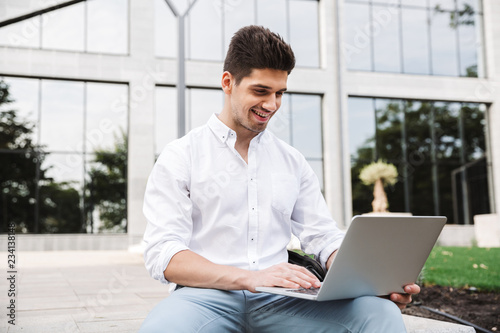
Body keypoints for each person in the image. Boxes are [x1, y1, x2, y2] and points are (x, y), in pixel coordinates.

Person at [140, 25, 419, 332]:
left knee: (379, 313)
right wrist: (250, 277)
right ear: (228, 82)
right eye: (261, 91)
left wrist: (371, 278)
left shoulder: (292, 162)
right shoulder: (181, 156)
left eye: (279, 93)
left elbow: (323, 237)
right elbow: (163, 255)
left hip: (283, 300)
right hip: (203, 298)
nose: (272, 105)